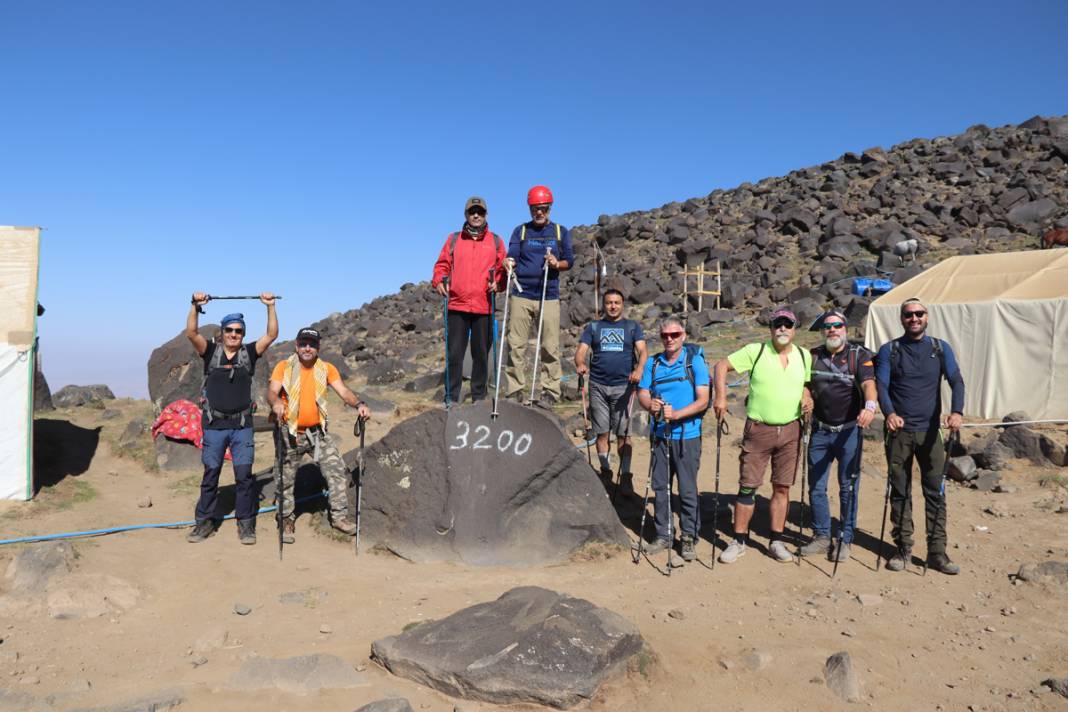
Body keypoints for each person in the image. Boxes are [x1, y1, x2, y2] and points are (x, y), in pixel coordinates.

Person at [713, 307, 813, 564]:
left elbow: (805, 384)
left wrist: (807, 395)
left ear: (794, 329)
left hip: (791, 429)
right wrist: (721, 397)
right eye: (778, 324)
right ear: (770, 328)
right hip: (759, 429)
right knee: (748, 486)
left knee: (782, 486)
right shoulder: (755, 351)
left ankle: (776, 541)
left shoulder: (804, 355)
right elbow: (721, 366)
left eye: (788, 324)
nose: (782, 328)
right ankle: (739, 541)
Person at [874, 298, 965, 575]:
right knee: (900, 492)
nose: (914, 318)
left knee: (935, 492)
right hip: (898, 432)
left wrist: (957, 411)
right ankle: (902, 549)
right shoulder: (890, 350)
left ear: (927, 316)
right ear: (901, 319)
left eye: (919, 313)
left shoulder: (940, 348)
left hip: (930, 433)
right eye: (909, 314)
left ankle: (937, 553)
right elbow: (881, 386)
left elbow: (956, 380)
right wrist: (889, 413)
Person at [185, 292, 278, 544]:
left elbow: (271, 335)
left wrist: (270, 307)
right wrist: (195, 306)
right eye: (229, 330)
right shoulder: (210, 352)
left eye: (238, 331)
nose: (234, 334)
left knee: (245, 477)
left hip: (241, 426)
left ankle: (246, 525)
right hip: (214, 425)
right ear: (222, 332)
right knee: (210, 475)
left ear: (243, 334)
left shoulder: (249, 353)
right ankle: (203, 523)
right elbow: (192, 333)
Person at [267, 327, 372, 541]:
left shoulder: (326, 369)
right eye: (303, 343)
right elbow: (271, 391)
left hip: (319, 433)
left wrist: (359, 404)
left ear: (318, 347)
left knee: (336, 471)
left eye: (312, 344)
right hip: (290, 432)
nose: (307, 348)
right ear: (296, 345)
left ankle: (339, 517)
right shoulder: (283, 366)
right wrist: (276, 402)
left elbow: (343, 391)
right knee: (285, 477)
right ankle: (286, 518)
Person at [797, 309, 878, 563]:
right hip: (820, 431)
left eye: (837, 326)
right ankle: (822, 536)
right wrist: (806, 396)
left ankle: (845, 537)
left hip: (849, 431)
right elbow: (805, 383)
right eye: (828, 326)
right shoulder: (812, 356)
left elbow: (868, 385)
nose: (832, 330)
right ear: (823, 331)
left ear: (845, 329)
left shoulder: (858, 356)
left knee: (848, 487)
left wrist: (870, 406)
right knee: (817, 487)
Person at [636, 316, 709, 562]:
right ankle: (664, 534)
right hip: (660, 435)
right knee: (661, 487)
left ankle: (689, 536)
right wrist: (651, 406)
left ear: (684, 335)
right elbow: (643, 393)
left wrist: (676, 414)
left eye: (674, 335)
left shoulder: (694, 362)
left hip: (687, 435)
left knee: (687, 489)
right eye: (665, 335)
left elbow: (703, 400)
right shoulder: (653, 364)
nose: (669, 339)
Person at [431, 197, 507, 406]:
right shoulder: (454, 239)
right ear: (466, 215)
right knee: (454, 354)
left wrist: (498, 284)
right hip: (457, 305)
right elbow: (441, 265)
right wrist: (438, 280)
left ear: (486, 215)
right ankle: (451, 398)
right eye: (472, 212)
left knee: (481, 355)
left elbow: (503, 271)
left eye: (480, 212)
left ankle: (479, 398)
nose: (476, 215)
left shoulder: (496, 242)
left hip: (484, 306)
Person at [503, 185, 573, 408]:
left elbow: (569, 261)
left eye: (543, 208)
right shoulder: (520, 231)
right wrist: (509, 262)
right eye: (535, 208)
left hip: (548, 295)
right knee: (516, 344)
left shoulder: (561, 232)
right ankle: (514, 391)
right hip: (522, 294)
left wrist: (556, 263)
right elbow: (511, 255)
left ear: (549, 207)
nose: (539, 212)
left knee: (550, 346)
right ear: (530, 208)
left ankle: (550, 391)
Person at [575, 288, 648, 492]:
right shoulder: (594, 327)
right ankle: (606, 471)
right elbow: (581, 352)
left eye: (617, 302)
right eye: (609, 303)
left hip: (624, 387)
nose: (613, 306)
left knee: (624, 433)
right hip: (597, 385)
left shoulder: (633, 327)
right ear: (604, 305)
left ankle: (625, 475)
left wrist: (639, 368)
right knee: (602, 433)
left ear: (623, 304)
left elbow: (642, 350)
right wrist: (580, 364)